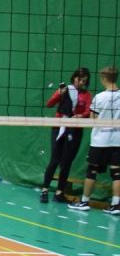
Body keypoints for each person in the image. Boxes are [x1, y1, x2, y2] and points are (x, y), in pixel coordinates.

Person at [69, 65, 120, 215]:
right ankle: (116, 204)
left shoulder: (99, 97)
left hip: (100, 140)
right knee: (116, 172)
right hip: (117, 139)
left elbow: (93, 119)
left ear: (103, 78)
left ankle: (84, 201)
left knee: (92, 170)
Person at [40, 68, 91, 203]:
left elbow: (88, 111)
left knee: (66, 162)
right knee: (54, 160)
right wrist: (59, 94)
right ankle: (44, 190)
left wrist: (80, 116)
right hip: (59, 127)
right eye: (79, 79)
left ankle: (59, 193)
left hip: (75, 130)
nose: (81, 82)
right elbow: (49, 104)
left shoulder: (86, 95)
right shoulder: (65, 90)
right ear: (74, 78)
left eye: (84, 81)